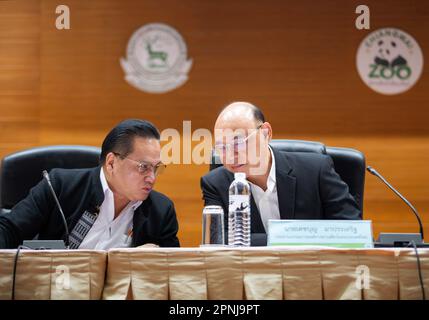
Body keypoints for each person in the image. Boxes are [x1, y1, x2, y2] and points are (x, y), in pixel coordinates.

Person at [0, 119, 180, 249]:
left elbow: (173, 270)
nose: (152, 178)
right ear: (111, 163)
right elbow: (9, 229)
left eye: (156, 168)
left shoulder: (161, 210)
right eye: (143, 167)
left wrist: (153, 260)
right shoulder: (60, 187)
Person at [201, 102, 361, 243]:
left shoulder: (316, 171)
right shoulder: (215, 184)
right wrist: (297, 236)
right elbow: (218, 240)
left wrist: (281, 238)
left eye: (238, 142)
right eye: (222, 147)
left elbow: (352, 229)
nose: (230, 155)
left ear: (266, 133)